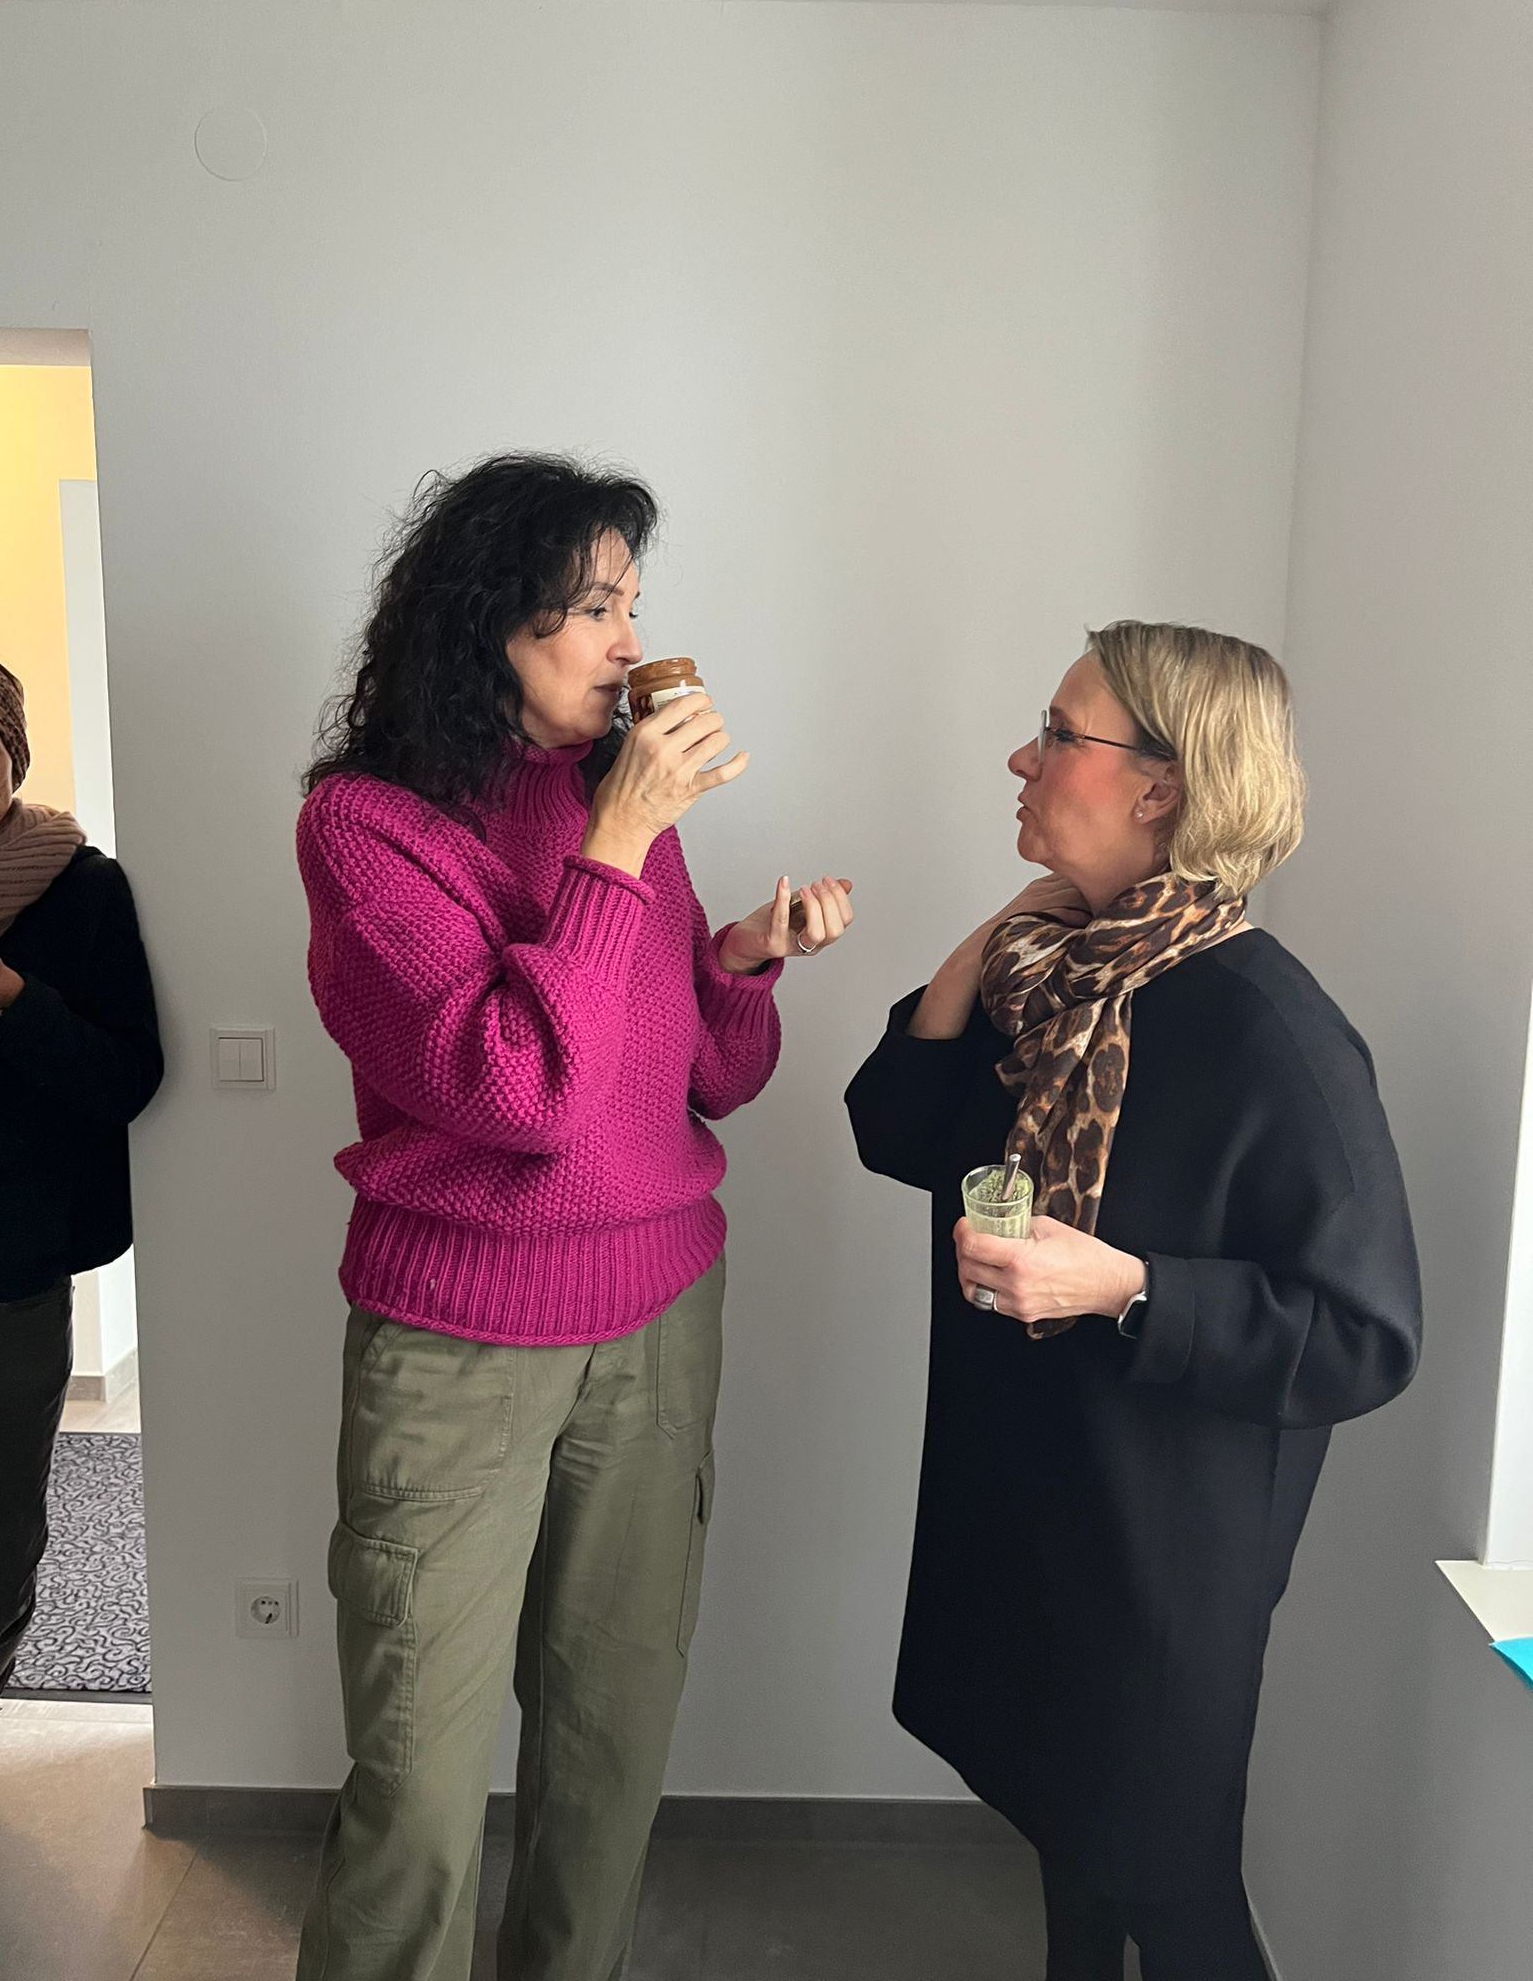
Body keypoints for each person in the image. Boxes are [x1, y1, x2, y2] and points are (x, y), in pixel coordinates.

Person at [293, 453, 854, 1981]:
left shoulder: (623, 808)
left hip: (658, 1315)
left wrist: (736, 958)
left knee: (610, 1749)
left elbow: (708, 1079)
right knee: (415, 1795)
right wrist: (618, 841)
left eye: (633, 605)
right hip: (457, 1342)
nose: (630, 642)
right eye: (596, 606)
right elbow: (521, 1088)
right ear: (492, 620)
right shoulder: (367, 828)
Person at [845, 622, 1420, 1981]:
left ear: (1160, 786)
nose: (1022, 756)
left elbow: (1364, 1334)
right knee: (1071, 1835)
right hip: (1042, 1515)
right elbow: (897, 1129)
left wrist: (1129, 1287)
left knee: (1175, 1891)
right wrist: (994, 939)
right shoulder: (1058, 980)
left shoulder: (1272, 1030)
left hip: (1164, 1563)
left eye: (1059, 732)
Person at [0, 659, 163, 1698]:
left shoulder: (81, 888)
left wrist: (14, 998)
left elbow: (126, 1077)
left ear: (11, 754)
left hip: (12, 1268)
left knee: (4, 1521)